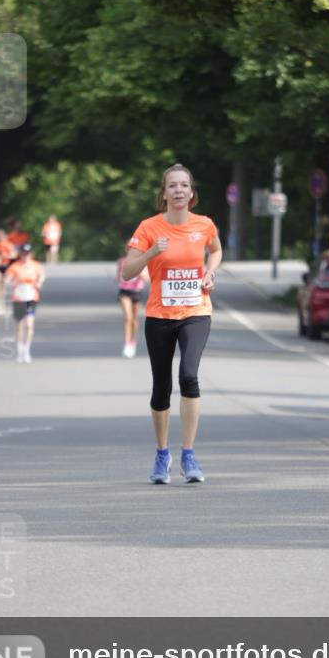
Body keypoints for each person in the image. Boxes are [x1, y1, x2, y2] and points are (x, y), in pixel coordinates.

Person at [121, 163, 222, 484]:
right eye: (172, 186)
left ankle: (189, 455)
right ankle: (162, 454)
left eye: (184, 185)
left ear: (192, 193)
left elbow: (216, 250)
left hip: (196, 311)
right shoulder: (149, 227)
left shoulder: (204, 225)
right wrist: (151, 251)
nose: (178, 190)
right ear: (163, 194)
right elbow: (127, 272)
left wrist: (210, 271)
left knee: (189, 376)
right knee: (162, 386)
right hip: (159, 316)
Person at [5, 243, 45, 363]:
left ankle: (27, 350)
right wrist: (11, 282)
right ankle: (19, 350)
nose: (25, 255)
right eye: (23, 253)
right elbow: (7, 278)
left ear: (31, 254)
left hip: (31, 298)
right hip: (18, 298)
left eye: (27, 253)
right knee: (19, 325)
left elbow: (42, 275)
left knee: (29, 324)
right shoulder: (15, 266)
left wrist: (39, 283)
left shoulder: (35, 265)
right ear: (20, 254)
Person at [116, 246, 149, 358]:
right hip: (124, 291)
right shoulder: (122, 262)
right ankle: (126, 344)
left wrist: (138, 271)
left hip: (137, 292)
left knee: (134, 319)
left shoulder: (143, 262)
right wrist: (125, 274)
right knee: (128, 318)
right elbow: (118, 277)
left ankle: (133, 341)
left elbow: (147, 278)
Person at [0, 228, 18, 315]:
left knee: (3, 286)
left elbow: (14, 255)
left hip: (6, 266)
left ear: (4, 236)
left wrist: (4, 256)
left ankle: (2, 305)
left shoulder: (8, 244)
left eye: (0, 236)